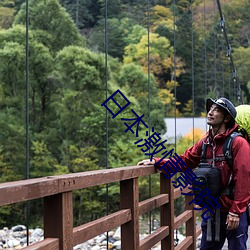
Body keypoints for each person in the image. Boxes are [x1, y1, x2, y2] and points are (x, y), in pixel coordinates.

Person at [138, 97, 250, 250]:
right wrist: (158, 162)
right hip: (212, 210)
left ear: (227, 118)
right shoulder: (205, 143)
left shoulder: (238, 143)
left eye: (216, 110)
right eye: (210, 109)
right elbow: (185, 161)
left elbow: (244, 178)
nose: (210, 112)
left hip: (233, 210)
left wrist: (236, 212)